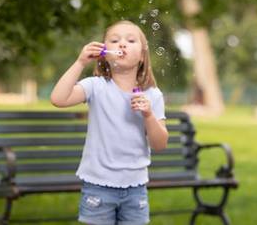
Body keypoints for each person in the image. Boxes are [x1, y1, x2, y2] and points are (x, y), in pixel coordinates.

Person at [50, 20, 168, 225]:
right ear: (104, 53)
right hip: (98, 186)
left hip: (135, 188)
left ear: (141, 56)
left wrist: (148, 115)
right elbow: (58, 99)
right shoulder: (96, 86)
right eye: (114, 40)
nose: (122, 44)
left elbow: (160, 144)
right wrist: (80, 63)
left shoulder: (152, 95)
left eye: (131, 40)